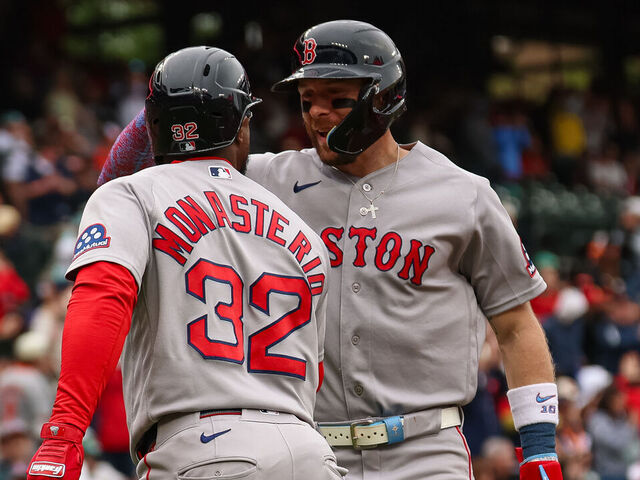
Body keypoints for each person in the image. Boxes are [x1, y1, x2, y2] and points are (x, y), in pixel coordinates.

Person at [98, 20, 562, 480]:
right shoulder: (261, 180)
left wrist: (539, 447)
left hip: (425, 451)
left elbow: (516, 325)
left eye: (338, 99)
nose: (318, 113)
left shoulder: (465, 194)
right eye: (307, 101)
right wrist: (173, 101)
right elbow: (124, 181)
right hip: (309, 452)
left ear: (385, 99)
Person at [26, 46, 342, 480]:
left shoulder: (132, 193)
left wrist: (63, 433)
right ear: (241, 122)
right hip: (308, 450)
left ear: (152, 124)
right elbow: (316, 371)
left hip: (205, 449)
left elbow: (103, 298)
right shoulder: (303, 231)